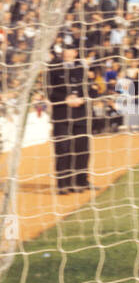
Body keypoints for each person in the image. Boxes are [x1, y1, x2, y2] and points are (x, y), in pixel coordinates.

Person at [46, 41, 91, 193]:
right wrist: (66, 98)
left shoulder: (81, 68)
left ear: (76, 52)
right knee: (63, 149)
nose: (68, 52)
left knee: (82, 149)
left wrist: (83, 98)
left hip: (80, 113)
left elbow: (88, 88)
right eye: (65, 49)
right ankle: (63, 184)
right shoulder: (53, 67)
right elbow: (49, 92)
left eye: (71, 49)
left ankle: (80, 181)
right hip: (62, 114)